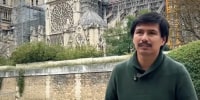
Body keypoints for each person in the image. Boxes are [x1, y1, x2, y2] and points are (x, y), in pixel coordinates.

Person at [105, 12, 198, 100]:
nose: (144, 38)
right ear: (133, 37)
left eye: (151, 33)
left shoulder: (177, 72)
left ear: (163, 40)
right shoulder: (119, 72)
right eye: (139, 32)